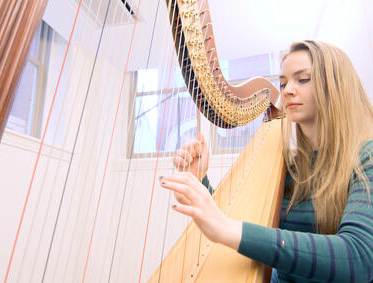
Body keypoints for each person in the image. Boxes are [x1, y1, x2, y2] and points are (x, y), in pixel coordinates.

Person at [159, 40, 373, 282]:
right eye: (283, 83)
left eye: (302, 79)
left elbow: (360, 257)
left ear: (336, 85)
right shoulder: (291, 165)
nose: (287, 90)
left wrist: (227, 228)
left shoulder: (367, 156)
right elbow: (247, 224)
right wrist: (200, 181)